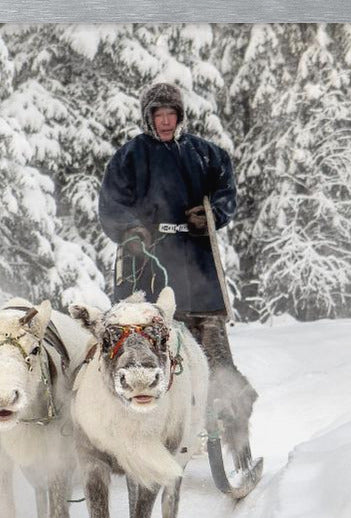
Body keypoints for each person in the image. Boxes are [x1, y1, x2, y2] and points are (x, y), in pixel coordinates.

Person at [98, 82, 258, 470]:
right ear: (149, 118)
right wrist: (132, 230)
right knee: (148, 354)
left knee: (218, 360)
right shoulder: (130, 156)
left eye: (172, 115)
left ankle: (236, 439)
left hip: (199, 269)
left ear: (180, 117)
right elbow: (111, 203)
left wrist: (212, 214)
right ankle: (135, 437)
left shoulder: (205, 154)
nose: (166, 121)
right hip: (149, 272)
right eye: (159, 115)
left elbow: (226, 191)